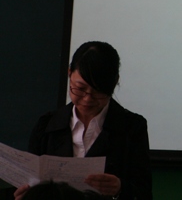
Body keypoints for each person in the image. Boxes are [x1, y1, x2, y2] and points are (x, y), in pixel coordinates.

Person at [15, 42, 152, 200]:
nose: (87, 98)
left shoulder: (132, 128)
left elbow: (144, 193)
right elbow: (31, 181)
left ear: (114, 83)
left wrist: (120, 189)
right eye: (80, 88)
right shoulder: (47, 125)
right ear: (69, 73)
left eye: (98, 91)